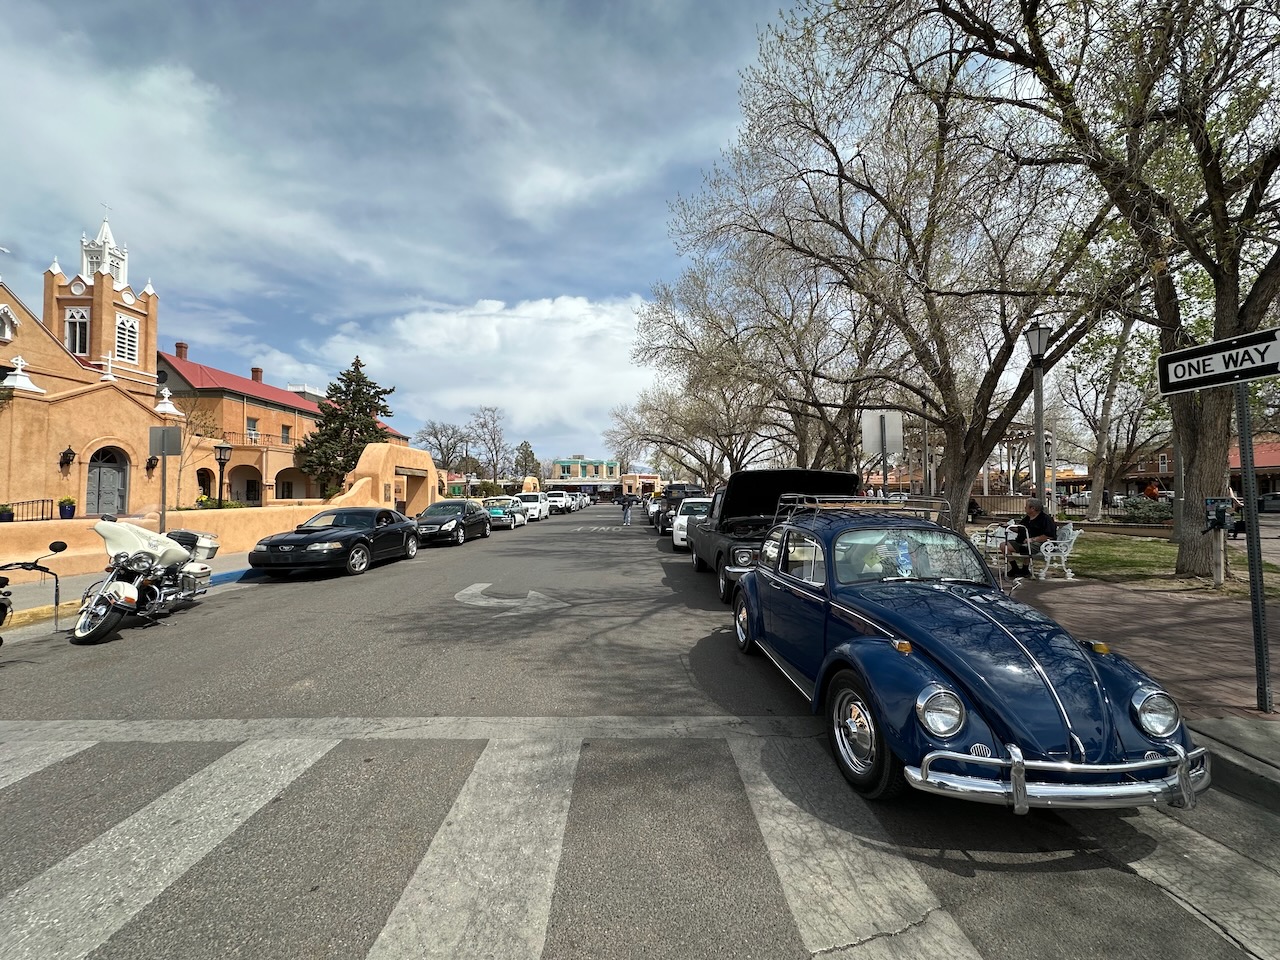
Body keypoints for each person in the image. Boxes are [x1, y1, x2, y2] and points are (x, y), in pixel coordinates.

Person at [999, 498, 1057, 578]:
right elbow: (1020, 528)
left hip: (1041, 543)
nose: (1025, 508)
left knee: (1026, 547)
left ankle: (1025, 569)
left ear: (1032, 508)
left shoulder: (1046, 519)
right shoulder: (1027, 518)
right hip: (1023, 541)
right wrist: (1008, 526)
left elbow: (1049, 535)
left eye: (1026, 506)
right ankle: (1015, 568)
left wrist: (1032, 539)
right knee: (1003, 545)